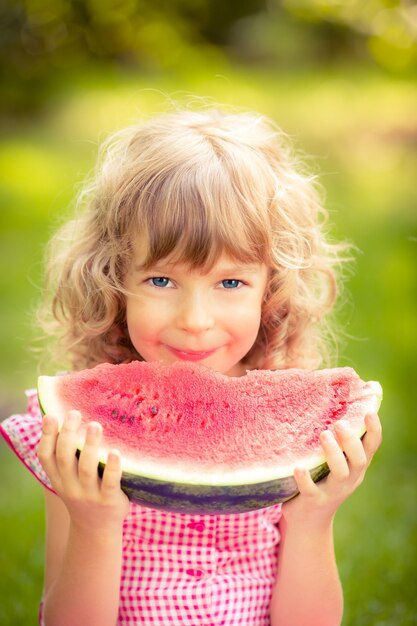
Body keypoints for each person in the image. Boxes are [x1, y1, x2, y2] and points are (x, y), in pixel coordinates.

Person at [0, 105, 382, 626]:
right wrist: (94, 525)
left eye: (230, 283)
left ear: (270, 289)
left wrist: (314, 519)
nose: (195, 320)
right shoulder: (77, 438)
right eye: (161, 281)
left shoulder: (296, 440)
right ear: (113, 280)